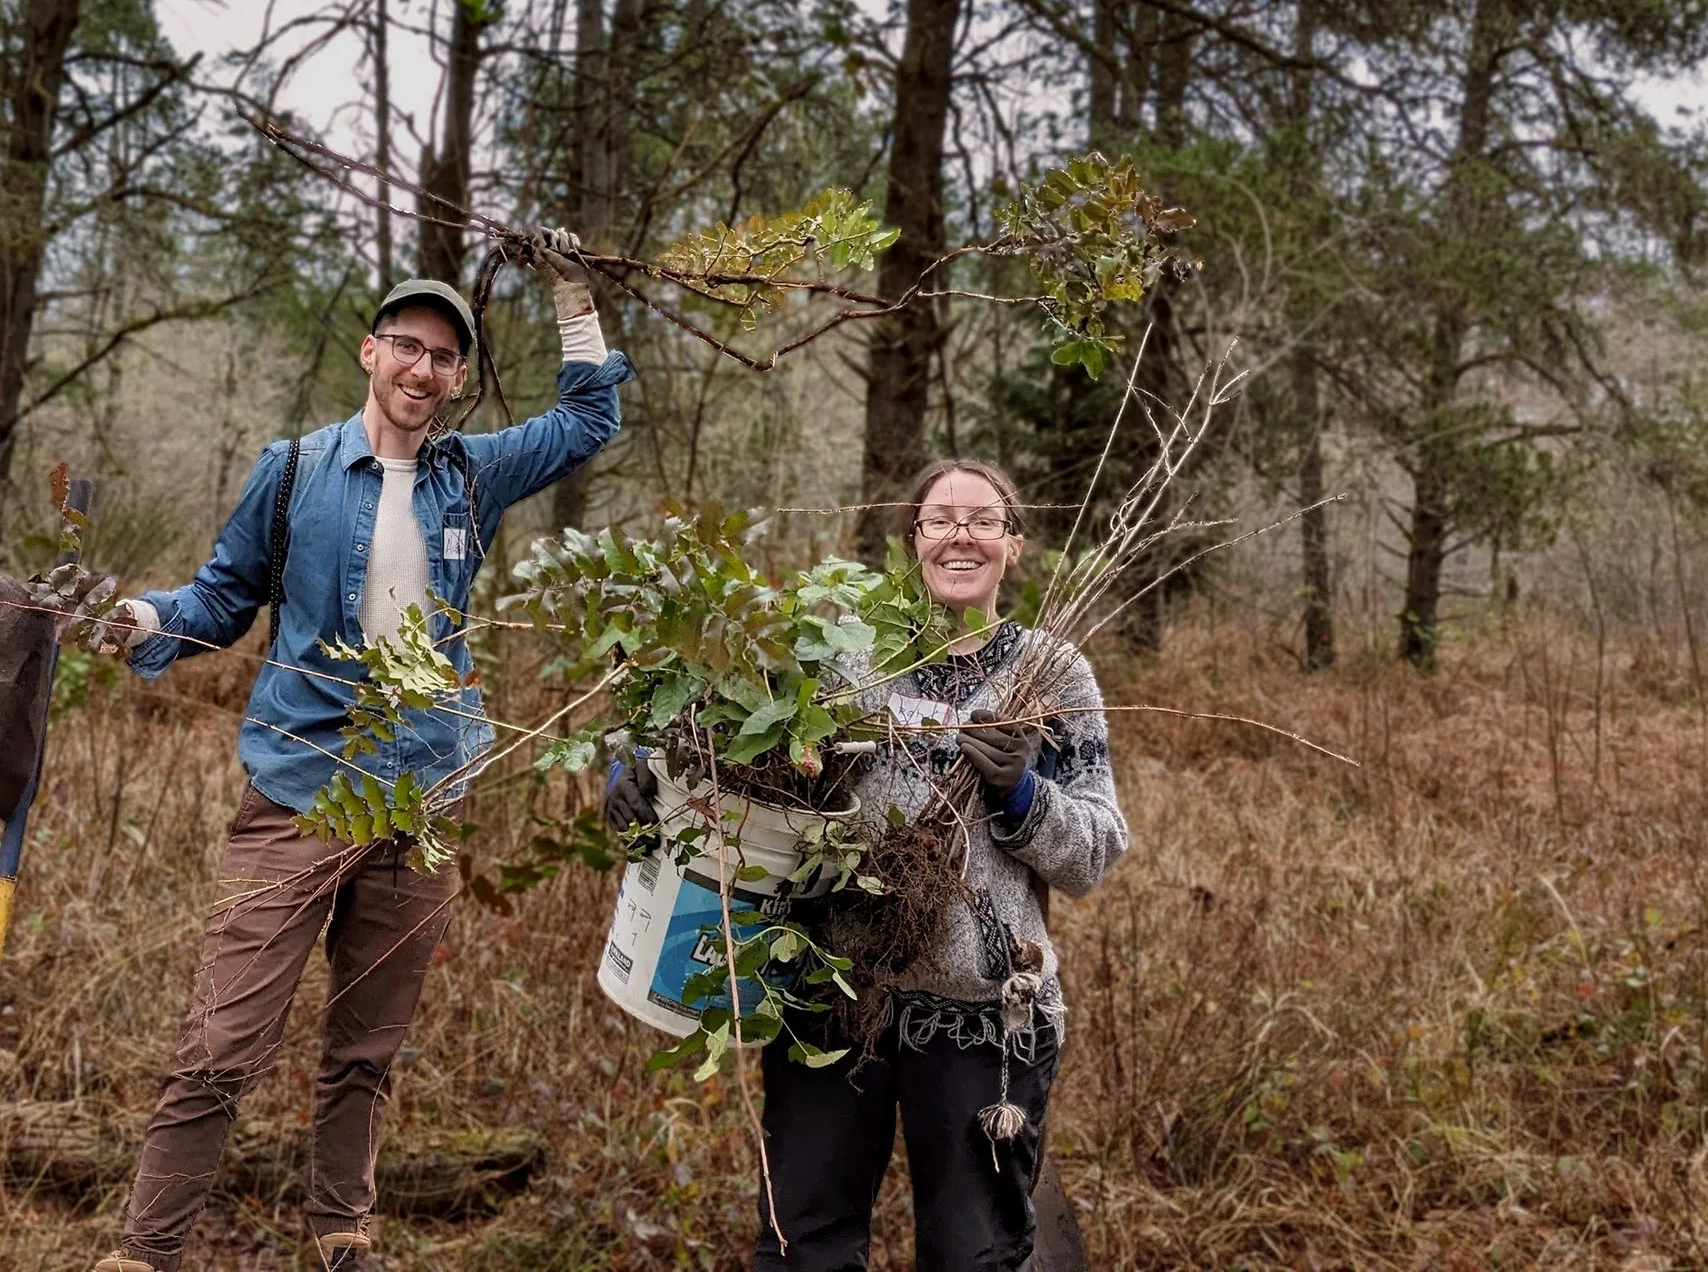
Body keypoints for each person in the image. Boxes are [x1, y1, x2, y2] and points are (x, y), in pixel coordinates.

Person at [81, 232, 631, 1272]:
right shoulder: (290, 472)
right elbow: (219, 600)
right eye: (406, 347)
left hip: (418, 799)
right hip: (296, 790)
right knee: (220, 1045)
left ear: (458, 378)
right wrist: (143, 618)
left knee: (365, 1053)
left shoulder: (471, 474)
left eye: (444, 358)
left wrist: (568, 291)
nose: (423, 369)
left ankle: (342, 1236)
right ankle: (144, 1254)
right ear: (369, 355)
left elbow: (590, 415)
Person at [607, 458, 1127, 1272]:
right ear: (912, 540)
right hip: (831, 995)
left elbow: (1095, 851)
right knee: (801, 1247)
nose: (961, 534)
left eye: (983, 519)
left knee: (976, 1254)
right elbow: (716, 734)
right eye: (940, 519)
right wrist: (638, 764)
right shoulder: (841, 658)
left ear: (1014, 544)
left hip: (980, 1015)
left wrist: (1023, 794)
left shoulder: (1053, 677)